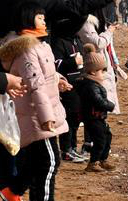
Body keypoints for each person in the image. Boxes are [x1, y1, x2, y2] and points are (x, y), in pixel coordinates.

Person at [0, 4, 71, 201]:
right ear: (29, 20)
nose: (44, 21)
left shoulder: (40, 45)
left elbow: (46, 76)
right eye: (40, 18)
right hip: (35, 114)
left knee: (34, 161)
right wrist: (46, 117)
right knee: (51, 160)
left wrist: (59, 80)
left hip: (42, 110)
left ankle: (14, 191)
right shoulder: (26, 50)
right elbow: (36, 86)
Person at [49, 15, 87, 163]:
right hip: (67, 85)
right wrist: (72, 61)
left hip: (79, 83)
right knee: (69, 118)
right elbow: (56, 65)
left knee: (76, 118)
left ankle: (72, 148)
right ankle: (66, 150)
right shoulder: (59, 41)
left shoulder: (76, 39)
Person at [75, 44, 116, 173]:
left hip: (98, 117)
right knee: (100, 140)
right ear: (93, 72)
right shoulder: (90, 86)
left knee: (107, 136)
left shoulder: (94, 84)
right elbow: (98, 101)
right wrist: (110, 105)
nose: (104, 73)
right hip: (93, 118)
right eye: (102, 71)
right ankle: (93, 163)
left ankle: (102, 159)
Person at [77, 14, 121, 114]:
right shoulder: (86, 22)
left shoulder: (99, 20)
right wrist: (109, 31)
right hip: (93, 62)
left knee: (100, 88)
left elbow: (109, 46)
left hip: (99, 61)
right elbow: (98, 43)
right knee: (94, 90)